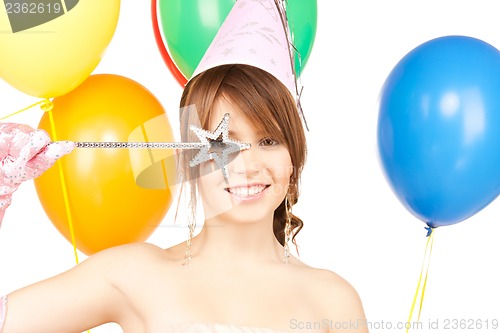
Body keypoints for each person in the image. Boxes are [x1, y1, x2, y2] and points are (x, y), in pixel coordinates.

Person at [0, 63, 368, 333]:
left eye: (268, 140)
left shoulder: (333, 298)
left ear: (294, 158)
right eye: (222, 142)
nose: (249, 164)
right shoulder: (132, 272)